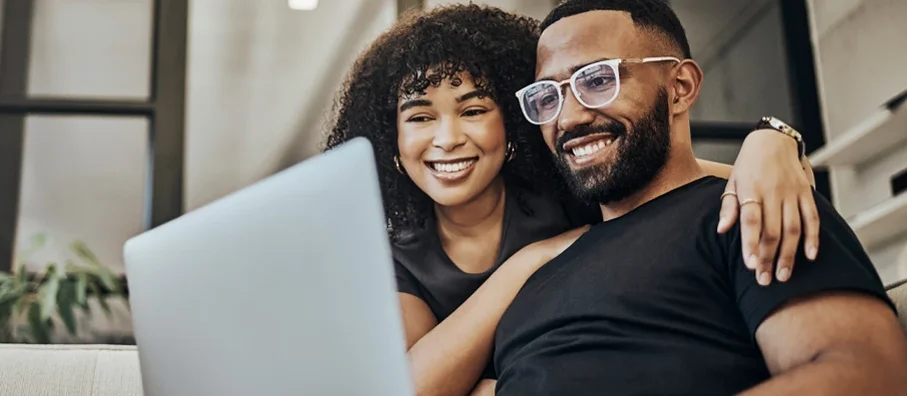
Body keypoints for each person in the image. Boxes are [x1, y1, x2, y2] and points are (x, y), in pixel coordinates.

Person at [324, 4, 819, 396]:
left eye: (473, 109)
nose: (448, 138)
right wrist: (532, 261)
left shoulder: (570, 189)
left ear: (516, 125)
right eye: (420, 117)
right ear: (389, 140)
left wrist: (773, 141)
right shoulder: (391, 254)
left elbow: (687, 185)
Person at [492, 0, 907, 394]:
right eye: (547, 97)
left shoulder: (751, 208)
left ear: (680, 87)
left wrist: (775, 139)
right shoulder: (534, 273)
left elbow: (867, 376)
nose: (568, 117)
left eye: (599, 80)